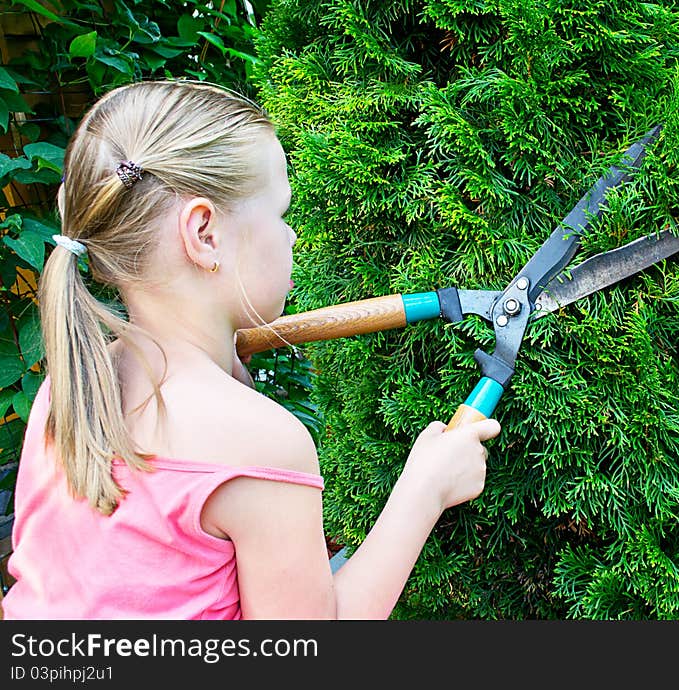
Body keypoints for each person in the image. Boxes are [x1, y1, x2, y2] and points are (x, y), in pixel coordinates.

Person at [0, 80, 500, 620]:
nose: (291, 238)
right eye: (280, 214)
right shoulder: (262, 444)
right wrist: (426, 488)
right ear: (204, 234)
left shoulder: (71, 388)